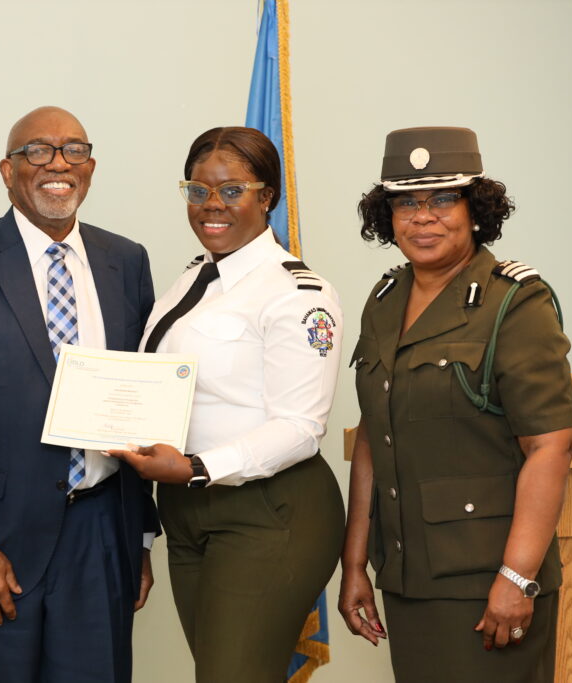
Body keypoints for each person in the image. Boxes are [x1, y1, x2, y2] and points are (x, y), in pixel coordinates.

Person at [0, 106, 157, 683]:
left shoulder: (126, 261)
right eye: (38, 150)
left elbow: (139, 400)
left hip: (101, 535)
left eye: (74, 150)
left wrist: (139, 537)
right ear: (7, 170)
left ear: (90, 167)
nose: (58, 164)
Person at [337, 127, 572, 682]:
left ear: (476, 210)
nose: (423, 217)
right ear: (387, 215)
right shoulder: (385, 300)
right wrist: (354, 564)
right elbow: (374, 435)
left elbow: (552, 445)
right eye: (406, 202)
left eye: (443, 199)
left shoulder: (514, 302)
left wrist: (517, 578)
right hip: (407, 576)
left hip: (488, 582)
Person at [109, 126, 345, 683]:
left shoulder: (298, 293)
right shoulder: (193, 277)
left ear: (267, 197)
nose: (211, 205)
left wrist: (196, 467)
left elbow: (301, 427)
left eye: (232, 190)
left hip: (270, 509)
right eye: (198, 191)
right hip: (187, 509)